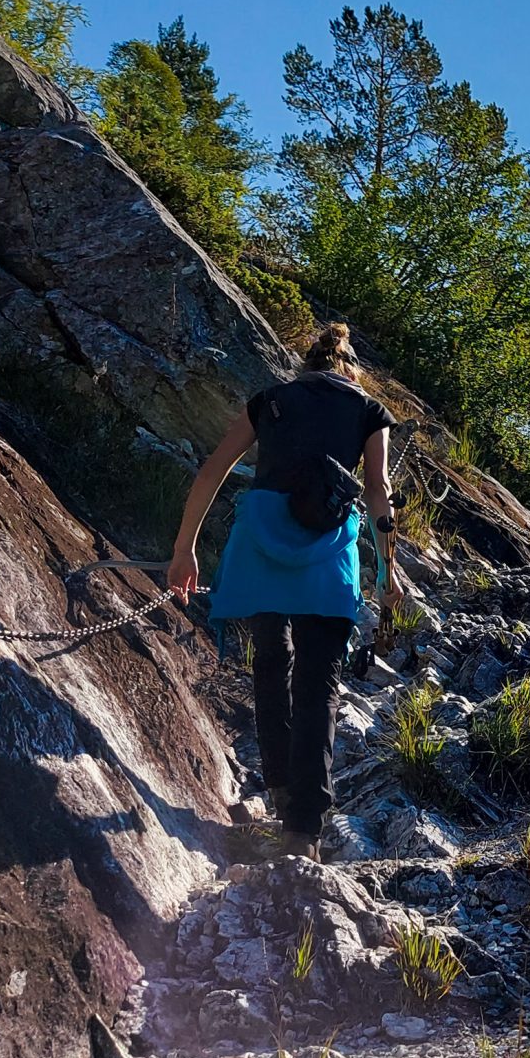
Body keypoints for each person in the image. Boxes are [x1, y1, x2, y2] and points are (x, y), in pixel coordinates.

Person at [168, 323, 397, 861]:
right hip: (327, 554)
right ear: (350, 370)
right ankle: (305, 829)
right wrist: (389, 577)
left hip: (261, 549)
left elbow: (213, 471)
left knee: (271, 661)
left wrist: (185, 548)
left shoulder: (269, 401)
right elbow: (378, 491)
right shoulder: (368, 411)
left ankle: (279, 789)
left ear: (307, 366)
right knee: (320, 680)